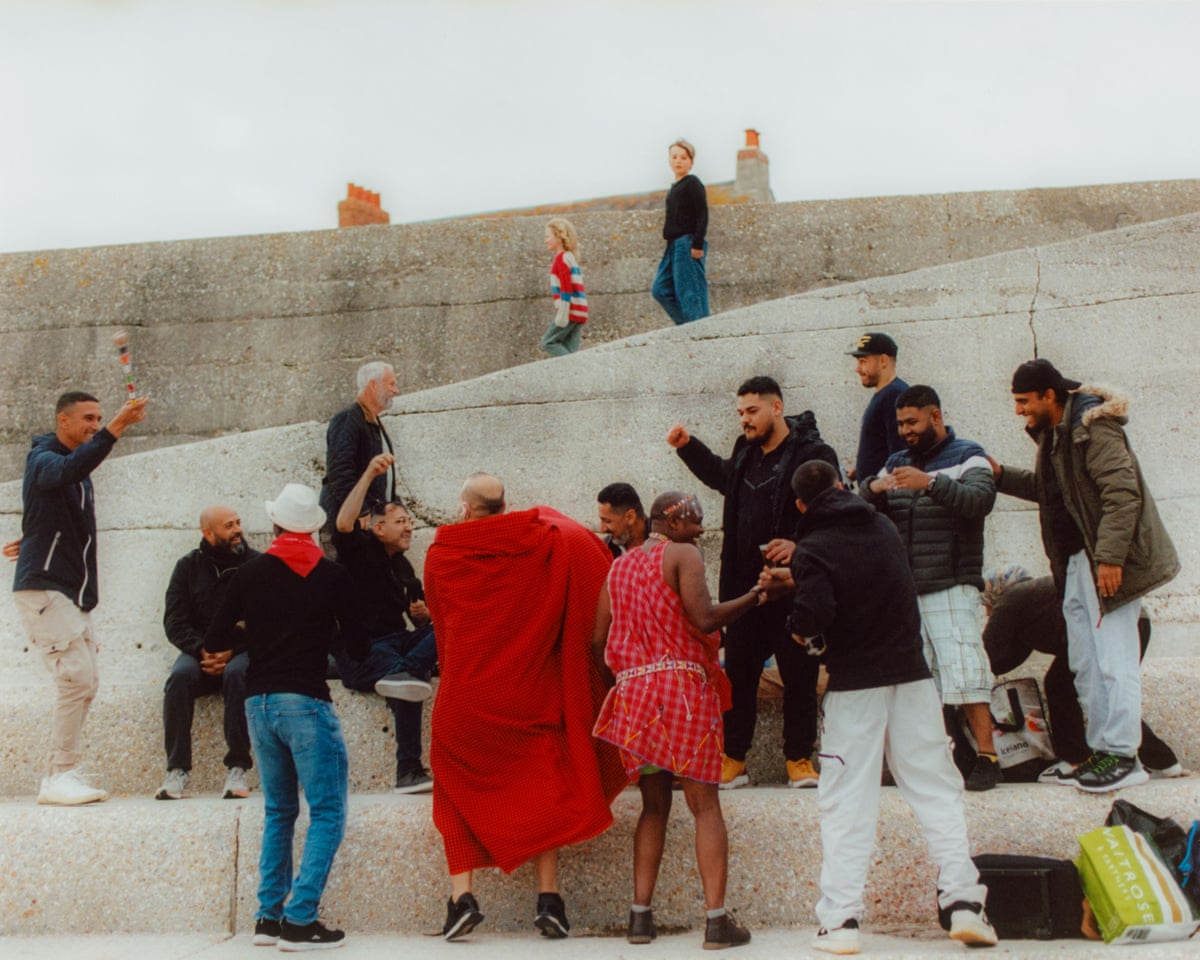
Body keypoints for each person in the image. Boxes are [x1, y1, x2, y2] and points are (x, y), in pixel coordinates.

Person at [764, 460, 997, 954]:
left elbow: (816, 614)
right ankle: (964, 904)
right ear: (840, 487)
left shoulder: (813, 547)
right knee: (937, 789)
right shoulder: (884, 526)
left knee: (847, 799)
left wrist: (797, 621)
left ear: (803, 505)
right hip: (913, 679)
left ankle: (841, 920)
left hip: (855, 689)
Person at [423, 473, 626, 942]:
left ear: (464, 508)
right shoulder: (544, 541)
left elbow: (440, 617)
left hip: (465, 699)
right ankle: (549, 899)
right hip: (527, 692)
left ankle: (462, 899)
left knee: (451, 789)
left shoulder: (441, 554)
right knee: (545, 786)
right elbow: (580, 541)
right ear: (504, 505)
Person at [990, 359, 1179, 792]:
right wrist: (1000, 476)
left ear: (1049, 396)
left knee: (1114, 660)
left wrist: (1110, 558)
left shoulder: (1094, 427)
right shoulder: (1057, 435)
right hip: (1077, 562)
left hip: (1104, 562)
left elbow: (1121, 493)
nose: (1019, 410)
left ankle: (1124, 757)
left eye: (1024, 401)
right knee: (1086, 664)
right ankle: (1103, 752)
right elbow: (1052, 493)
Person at [593, 491, 760, 950]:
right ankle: (716, 923)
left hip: (635, 696)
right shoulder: (683, 554)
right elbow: (705, 619)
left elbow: (597, 639)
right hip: (683, 692)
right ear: (672, 519)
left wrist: (629, 677)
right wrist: (758, 595)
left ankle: (640, 919)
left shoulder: (617, 567)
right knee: (705, 806)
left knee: (653, 806)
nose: (701, 529)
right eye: (695, 520)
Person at [205, 483, 368, 950]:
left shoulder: (248, 573)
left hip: (258, 703)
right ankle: (300, 920)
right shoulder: (333, 577)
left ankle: (267, 918)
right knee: (328, 811)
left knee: (279, 811)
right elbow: (358, 647)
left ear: (274, 524)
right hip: (306, 702)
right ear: (315, 528)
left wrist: (253, 628)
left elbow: (215, 636)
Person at [668, 375, 839, 789]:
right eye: (741, 412)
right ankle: (734, 759)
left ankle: (799, 759)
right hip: (744, 589)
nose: (744, 420)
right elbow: (725, 479)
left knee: (799, 672)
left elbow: (833, 510)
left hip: (791, 586)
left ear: (776, 407)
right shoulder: (745, 451)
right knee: (739, 674)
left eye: (752, 411)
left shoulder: (813, 453)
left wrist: (797, 546)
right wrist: (688, 446)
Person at [861, 384, 1001, 791]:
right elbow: (866, 506)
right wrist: (873, 488)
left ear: (935, 417)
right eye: (900, 423)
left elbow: (980, 501)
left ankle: (989, 757)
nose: (905, 430)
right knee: (920, 680)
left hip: (952, 583)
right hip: (907, 590)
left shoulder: (968, 454)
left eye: (912, 421)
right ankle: (941, 756)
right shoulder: (896, 461)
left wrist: (929, 483)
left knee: (967, 672)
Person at [13, 390, 148, 805]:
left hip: (66, 590)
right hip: (47, 588)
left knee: (86, 683)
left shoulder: (69, 469)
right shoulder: (44, 459)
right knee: (75, 679)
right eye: (88, 418)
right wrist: (118, 426)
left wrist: (34, 536)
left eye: (100, 417)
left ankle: (63, 769)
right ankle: (58, 776)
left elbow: (51, 505)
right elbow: (65, 471)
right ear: (62, 421)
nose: (95, 424)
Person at [981, 565, 1181, 783]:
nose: (986, 613)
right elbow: (1010, 656)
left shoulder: (1010, 600)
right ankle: (1164, 762)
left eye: (986, 606)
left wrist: (968, 683)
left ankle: (1074, 762)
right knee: (1094, 692)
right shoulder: (1032, 598)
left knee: (1063, 687)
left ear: (993, 595)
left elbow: (988, 653)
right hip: (1133, 621)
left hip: (1111, 624)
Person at [332, 453, 437, 794]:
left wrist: (425, 617)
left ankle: (405, 670)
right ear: (378, 528)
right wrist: (368, 473)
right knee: (407, 674)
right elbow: (344, 525)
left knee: (451, 622)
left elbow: (421, 622)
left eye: (410, 521)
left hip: (398, 643)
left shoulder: (404, 568)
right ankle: (408, 771)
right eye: (401, 521)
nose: (409, 526)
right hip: (362, 651)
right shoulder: (362, 551)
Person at [157, 505, 258, 801]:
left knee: (239, 674)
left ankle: (237, 768)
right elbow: (174, 622)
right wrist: (202, 650)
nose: (238, 529)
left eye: (238, 522)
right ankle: (177, 771)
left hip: (242, 651)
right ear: (208, 533)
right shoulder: (187, 567)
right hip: (199, 651)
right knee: (178, 678)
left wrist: (231, 651)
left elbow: (268, 620)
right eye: (229, 525)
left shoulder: (257, 565)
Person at [318, 361, 400, 527]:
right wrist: (361, 510)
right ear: (373, 386)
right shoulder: (348, 419)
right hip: (351, 526)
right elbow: (340, 471)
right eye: (391, 384)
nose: (396, 391)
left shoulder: (371, 420)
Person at [651, 138, 709, 325]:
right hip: (673, 246)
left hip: (688, 242)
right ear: (669, 160)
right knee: (660, 289)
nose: (678, 161)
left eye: (683, 157)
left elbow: (702, 213)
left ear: (691, 161)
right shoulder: (674, 187)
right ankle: (689, 327)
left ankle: (699, 330)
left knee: (691, 293)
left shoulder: (692, 183)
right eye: (674, 157)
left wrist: (697, 244)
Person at [846, 332, 908, 485]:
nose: (858, 369)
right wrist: (860, 470)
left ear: (883, 360)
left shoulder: (894, 395)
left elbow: (900, 454)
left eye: (863, 361)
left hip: (884, 498)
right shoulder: (886, 394)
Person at [540, 217, 589, 357]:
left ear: (559, 237)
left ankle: (574, 368)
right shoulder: (570, 257)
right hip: (580, 311)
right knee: (571, 351)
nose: (545, 241)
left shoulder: (560, 260)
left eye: (548, 237)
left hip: (569, 312)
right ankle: (577, 375)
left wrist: (562, 315)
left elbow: (566, 289)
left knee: (548, 342)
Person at [597, 481, 648, 559]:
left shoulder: (665, 544)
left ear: (630, 517)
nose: (602, 529)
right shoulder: (606, 549)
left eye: (607, 521)